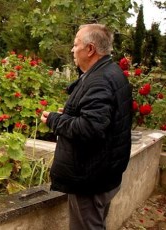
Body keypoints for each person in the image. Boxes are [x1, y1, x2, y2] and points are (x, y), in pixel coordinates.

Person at [40, 24, 133, 230]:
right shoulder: (110, 71)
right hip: (104, 172)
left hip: (90, 178)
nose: (73, 50)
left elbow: (90, 128)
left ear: (90, 49)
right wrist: (71, 116)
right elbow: (103, 119)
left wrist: (55, 120)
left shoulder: (100, 80)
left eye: (75, 45)